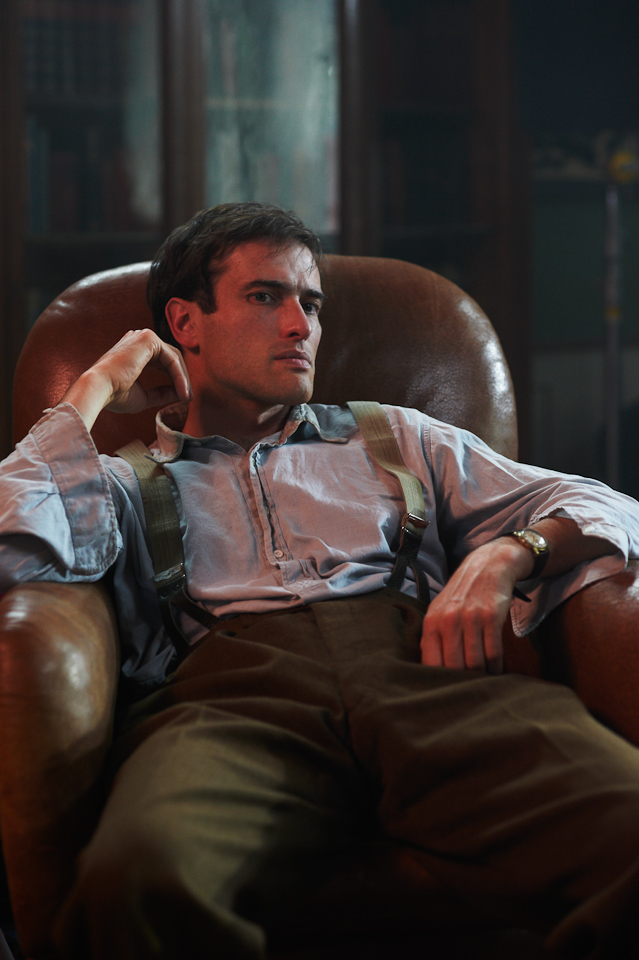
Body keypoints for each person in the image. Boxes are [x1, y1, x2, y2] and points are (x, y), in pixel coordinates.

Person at [1, 201, 639, 960]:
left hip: (428, 682)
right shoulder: (120, 483)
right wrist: (93, 391)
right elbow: (13, 545)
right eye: (265, 296)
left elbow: (605, 505)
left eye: (311, 304)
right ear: (186, 321)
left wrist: (508, 554)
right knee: (132, 883)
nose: (299, 325)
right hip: (230, 709)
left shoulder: (395, 435)